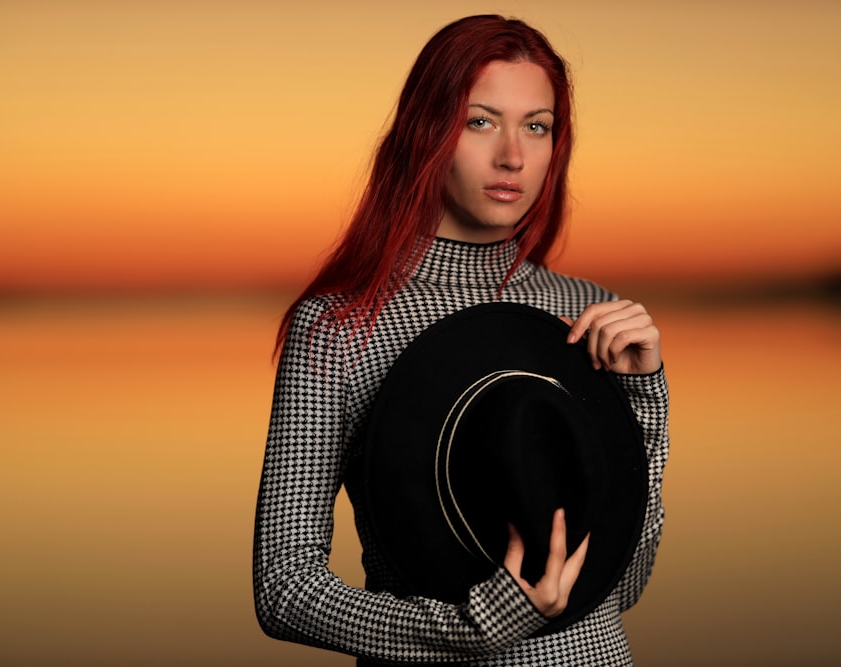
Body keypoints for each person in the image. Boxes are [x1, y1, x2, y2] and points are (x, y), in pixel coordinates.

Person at [253, 14, 669, 666]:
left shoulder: (587, 312)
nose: (513, 155)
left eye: (537, 125)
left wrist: (645, 399)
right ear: (426, 133)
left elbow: (625, 582)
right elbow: (284, 588)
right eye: (481, 121)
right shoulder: (337, 326)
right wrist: (473, 626)